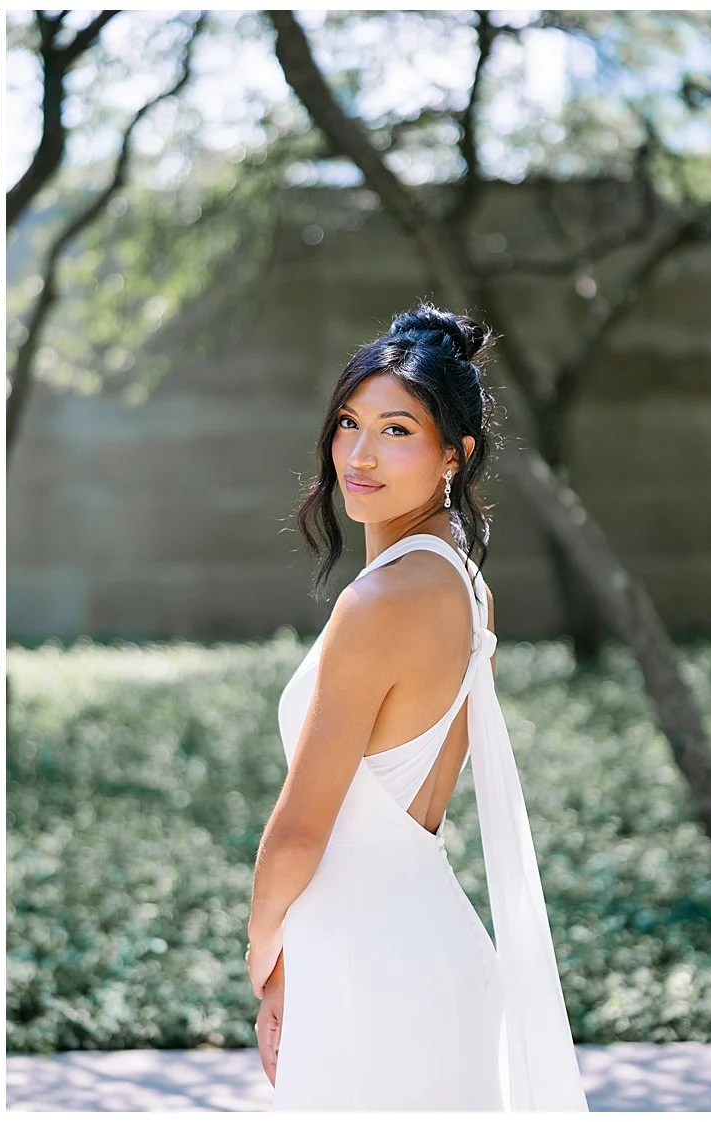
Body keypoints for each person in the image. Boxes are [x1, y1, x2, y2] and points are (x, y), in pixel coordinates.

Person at [244, 306, 588, 1110]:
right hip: (441, 953)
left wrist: (265, 959)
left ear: (454, 456)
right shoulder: (468, 587)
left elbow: (299, 833)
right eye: (348, 423)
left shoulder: (378, 604)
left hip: (363, 971)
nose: (359, 455)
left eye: (397, 430)